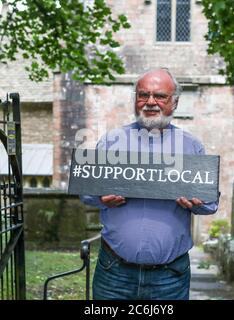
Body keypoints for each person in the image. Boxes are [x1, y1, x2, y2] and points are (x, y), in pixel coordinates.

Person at [80, 68, 219, 300]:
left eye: (160, 96)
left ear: (174, 102)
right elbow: (86, 193)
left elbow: (210, 203)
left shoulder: (191, 147)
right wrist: (100, 198)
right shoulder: (111, 142)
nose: (150, 102)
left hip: (169, 277)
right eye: (143, 95)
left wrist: (196, 203)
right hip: (114, 272)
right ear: (135, 100)